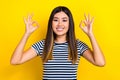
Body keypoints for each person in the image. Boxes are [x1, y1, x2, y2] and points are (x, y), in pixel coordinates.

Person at [10, 6, 105, 80]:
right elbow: (15, 61)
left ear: (69, 23)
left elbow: (100, 62)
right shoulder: (43, 45)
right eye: (55, 20)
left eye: (64, 20)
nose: (60, 24)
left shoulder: (77, 45)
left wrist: (90, 35)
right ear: (51, 23)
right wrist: (27, 34)